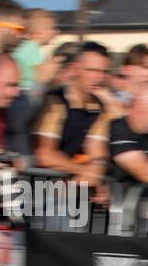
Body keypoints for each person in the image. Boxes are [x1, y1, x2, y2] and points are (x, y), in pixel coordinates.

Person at [32, 41, 112, 186]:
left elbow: (97, 154)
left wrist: (97, 173)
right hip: (35, 185)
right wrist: (84, 171)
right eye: (91, 70)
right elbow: (45, 155)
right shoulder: (56, 100)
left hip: (69, 186)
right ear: (75, 69)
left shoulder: (99, 107)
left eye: (103, 72)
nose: (99, 78)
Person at [12, 8, 56, 91]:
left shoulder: (27, 46)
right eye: (51, 28)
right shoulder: (31, 48)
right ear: (39, 33)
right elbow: (42, 71)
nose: (55, 32)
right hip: (26, 90)